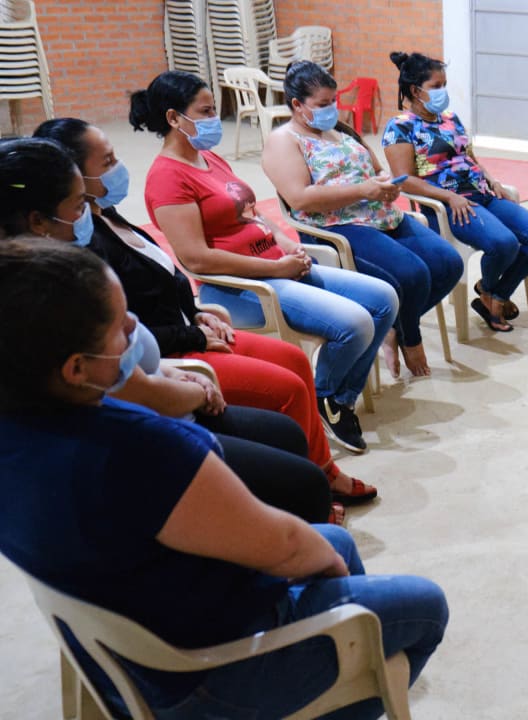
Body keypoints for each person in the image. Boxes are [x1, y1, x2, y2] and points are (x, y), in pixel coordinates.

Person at [0, 238, 447, 719]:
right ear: (76, 368)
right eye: (119, 326)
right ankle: (334, 680)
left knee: (337, 540)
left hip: (124, 638)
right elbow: (287, 545)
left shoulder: (23, 426)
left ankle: (341, 660)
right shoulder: (140, 447)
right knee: (423, 605)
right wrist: (330, 597)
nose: (135, 328)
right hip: (202, 669)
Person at [33, 118, 377, 506]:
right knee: (294, 385)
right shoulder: (83, 246)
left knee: (295, 359)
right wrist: (194, 333)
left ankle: (322, 471)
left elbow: (165, 276)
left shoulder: (108, 214)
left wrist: (195, 311)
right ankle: (306, 485)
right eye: (108, 160)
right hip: (175, 348)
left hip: (194, 324)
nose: (118, 167)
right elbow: (146, 310)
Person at [133, 70, 399, 456]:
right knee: (354, 323)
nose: (212, 119)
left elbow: (252, 213)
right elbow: (195, 257)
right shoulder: (167, 178)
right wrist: (276, 270)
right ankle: (329, 396)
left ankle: (335, 396)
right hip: (240, 286)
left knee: (383, 298)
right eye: (205, 111)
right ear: (174, 118)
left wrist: (286, 244)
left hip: (277, 265)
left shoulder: (210, 158)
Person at [265, 61, 463, 377]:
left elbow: (375, 167)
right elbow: (300, 198)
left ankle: (392, 326)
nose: (331, 109)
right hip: (337, 226)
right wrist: (363, 190)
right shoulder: (284, 140)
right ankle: (411, 339)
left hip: (380, 213)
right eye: (322, 104)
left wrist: (384, 184)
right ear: (297, 105)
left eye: (333, 101)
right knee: (412, 274)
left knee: (448, 263)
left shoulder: (340, 131)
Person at [382, 51, 528, 333]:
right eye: (436, 86)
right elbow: (403, 179)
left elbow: (469, 157)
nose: (443, 92)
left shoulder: (450, 117)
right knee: (504, 243)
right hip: (449, 205)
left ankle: (493, 293)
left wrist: (491, 179)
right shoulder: (399, 127)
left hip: (482, 195)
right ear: (415, 90)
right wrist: (449, 196)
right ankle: (493, 296)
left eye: (444, 85)